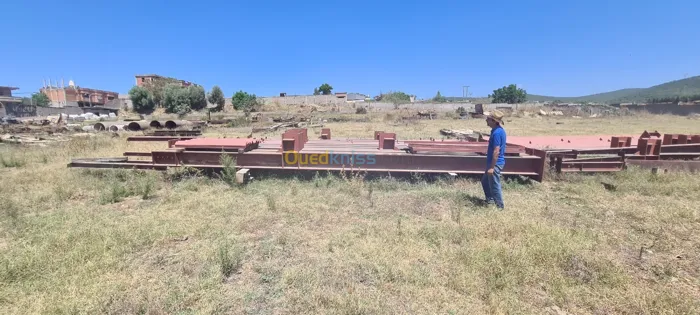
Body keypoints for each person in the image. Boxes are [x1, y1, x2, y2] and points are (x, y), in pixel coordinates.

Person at [482, 110, 506, 209]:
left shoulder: (497, 133)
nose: (486, 120)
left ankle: (500, 207)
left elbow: (497, 151)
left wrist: (492, 167)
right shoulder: (497, 130)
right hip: (493, 163)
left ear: (493, 120)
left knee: (495, 185)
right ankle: (490, 200)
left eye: (488, 119)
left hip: (495, 164)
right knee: (485, 181)